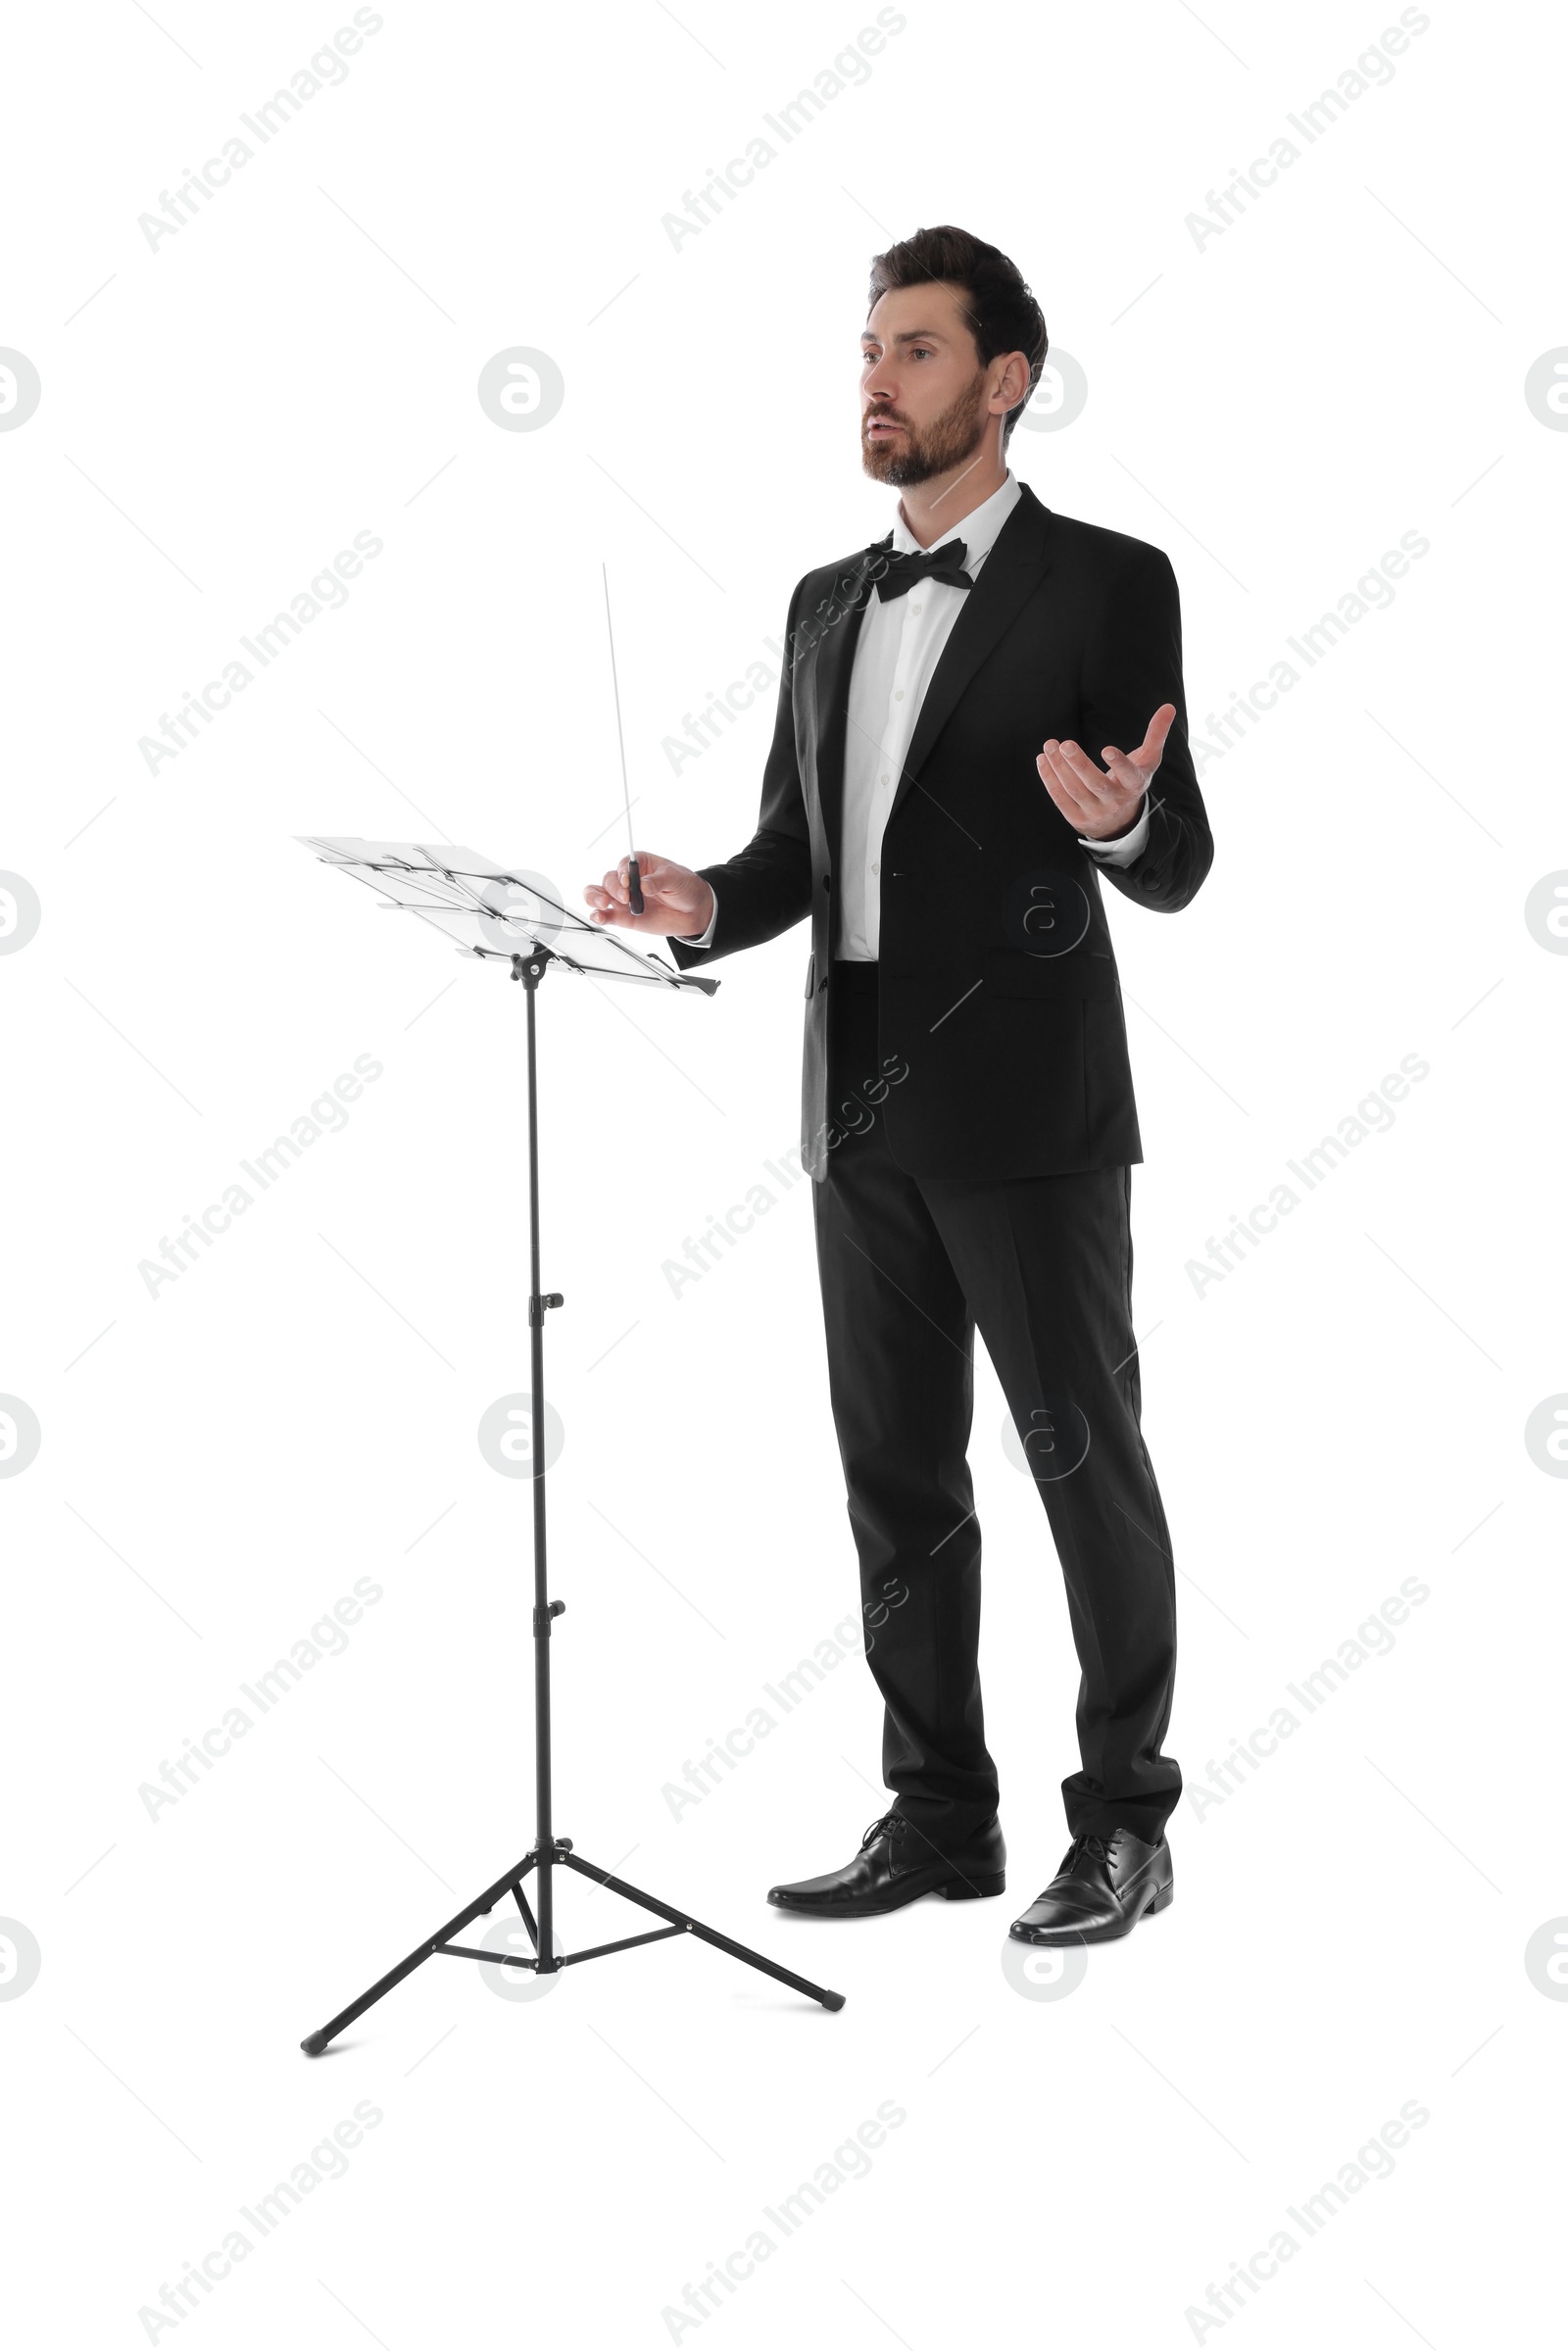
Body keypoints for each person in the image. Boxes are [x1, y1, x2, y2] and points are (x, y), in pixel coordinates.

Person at [585, 223, 1213, 1949]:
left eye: (916, 351)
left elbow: (1179, 855)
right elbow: (804, 848)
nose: (877, 377)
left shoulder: (1107, 582)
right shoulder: (823, 603)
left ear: (1008, 381)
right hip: (852, 1099)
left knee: (1086, 1464)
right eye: (868, 349)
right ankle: (940, 1812)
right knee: (897, 1477)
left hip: (1027, 1110)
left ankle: (1126, 1827)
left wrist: (1122, 823)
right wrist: (703, 901)